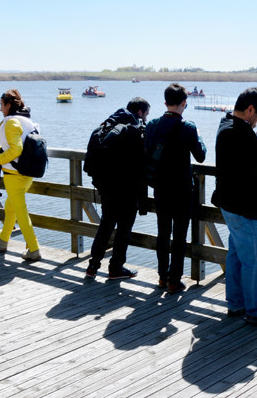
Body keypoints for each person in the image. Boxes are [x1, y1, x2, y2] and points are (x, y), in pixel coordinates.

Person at [212, 87, 257, 331]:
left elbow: (250, 150)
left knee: (237, 256)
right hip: (247, 208)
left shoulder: (229, 126)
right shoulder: (239, 133)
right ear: (251, 109)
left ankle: (236, 304)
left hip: (232, 205)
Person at [145, 84, 207, 293]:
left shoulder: (152, 125)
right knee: (179, 236)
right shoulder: (188, 127)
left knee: (163, 233)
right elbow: (201, 155)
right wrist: (198, 137)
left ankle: (162, 277)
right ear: (184, 103)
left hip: (160, 188)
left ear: (165, 103)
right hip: (181, 190)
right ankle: (174, 280)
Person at [85, 97, 150, 280]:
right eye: (146, 114)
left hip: (105, 185)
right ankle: (115, 268)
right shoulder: (134, 129)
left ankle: (92, 267)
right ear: (140, 112)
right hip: (127, 188)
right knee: (124, 229)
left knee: (105, 225)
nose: (145, 119)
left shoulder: (108, 125)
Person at [0, 89, 42, 261]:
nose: (0, 109)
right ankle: (3, 240)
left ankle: (34, 249)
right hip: (27, 174)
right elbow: (20, 143)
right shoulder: (28, 121)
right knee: (10, 208)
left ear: (9, 104)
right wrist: (0, 144)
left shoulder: (10, 122)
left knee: (20, 212)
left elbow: (16, 149)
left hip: (13, 175)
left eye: (2, 105)